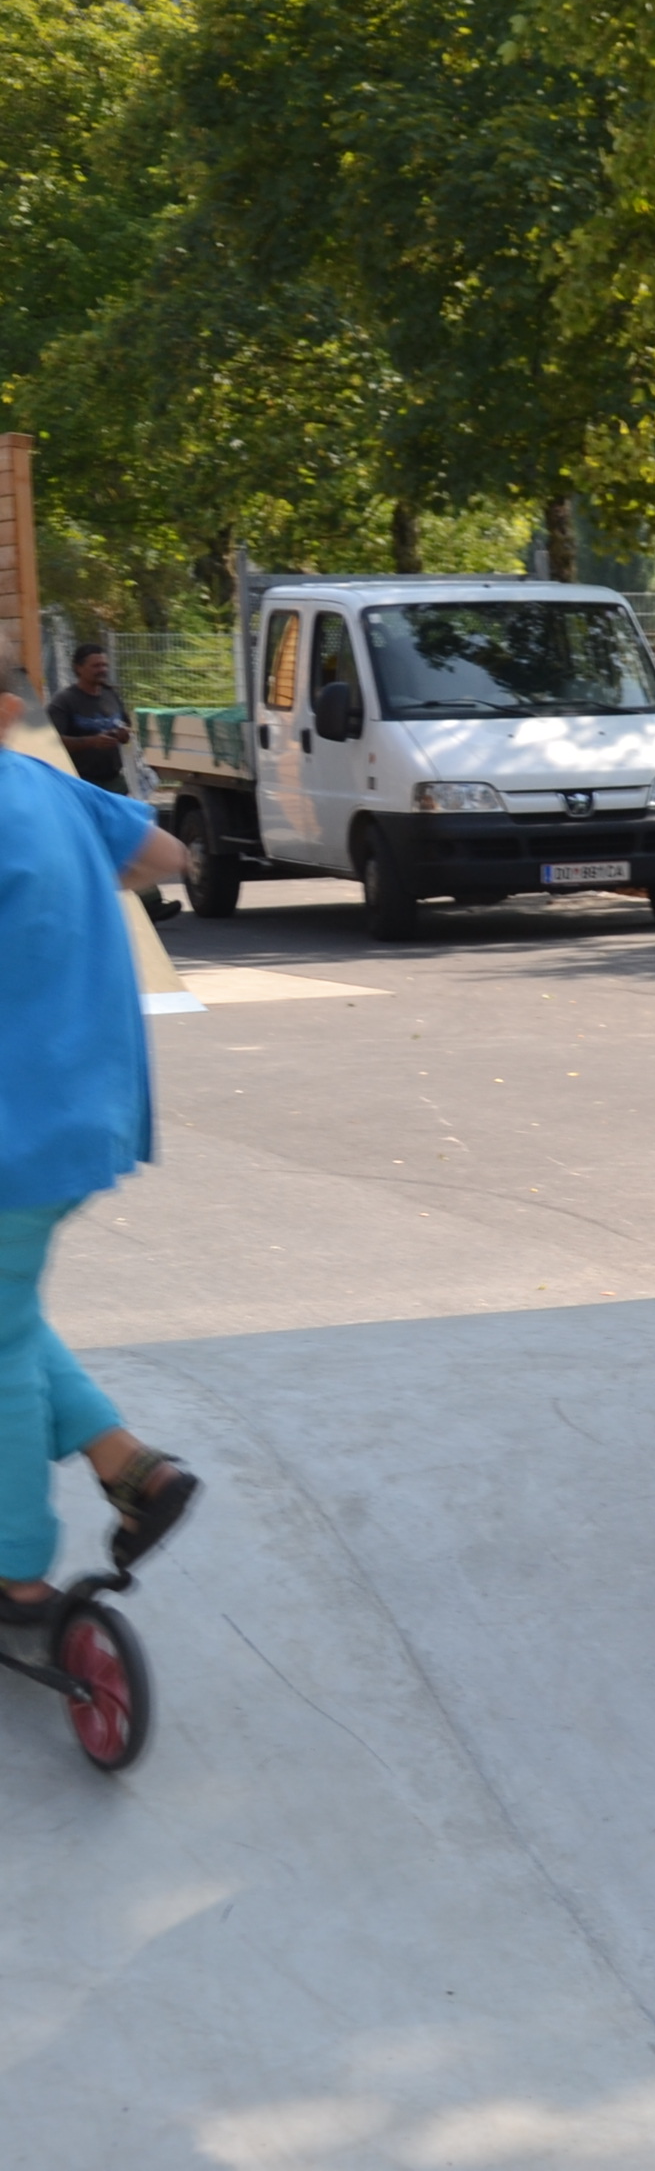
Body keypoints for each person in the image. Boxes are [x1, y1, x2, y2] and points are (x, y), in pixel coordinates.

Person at [0, 655, 202, 1628]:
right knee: (8, 1313)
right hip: (86, 1118)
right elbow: (169, 855)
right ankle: (129, 1466)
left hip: (14, 1132)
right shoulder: (49, 789)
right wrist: (87, 872)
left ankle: (16, 1572)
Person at [47, 643, 134, 796]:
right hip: (80, 783)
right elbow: (52, 741)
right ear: (78, 668)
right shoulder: (64, 700)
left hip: (115, 782)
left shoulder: (111, 694)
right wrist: (92, 742)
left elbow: (127, 726)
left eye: (105, 665)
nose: (102, 670)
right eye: (96, 666)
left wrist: (124, 734)